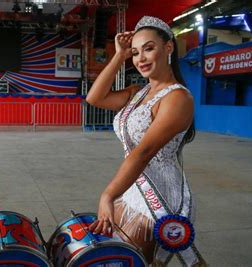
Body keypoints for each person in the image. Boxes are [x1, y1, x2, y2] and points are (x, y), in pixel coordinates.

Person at [86, 16, 206, 266]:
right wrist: (119, 55)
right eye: (135, 52)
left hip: (160, 195)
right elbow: (94, 98)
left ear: (168, 48)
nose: (140, 59)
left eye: (149, 49)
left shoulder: (177, 99)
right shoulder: (136, 93)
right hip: (131, 187)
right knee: (119, 258)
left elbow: (143, 153)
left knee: (136, 261)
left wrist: (107, 195)